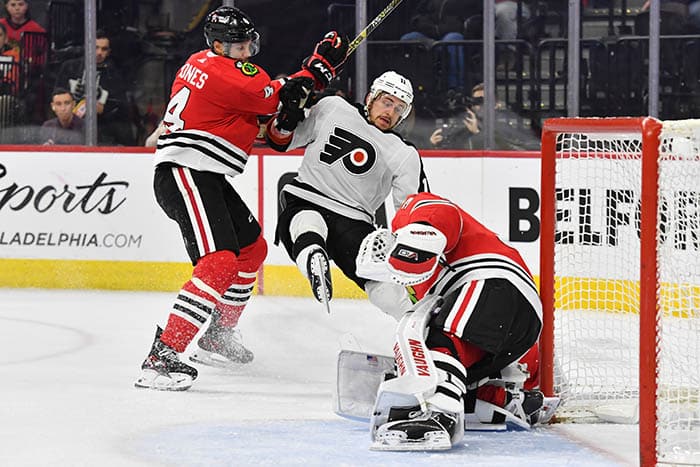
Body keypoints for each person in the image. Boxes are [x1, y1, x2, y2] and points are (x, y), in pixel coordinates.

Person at [134, 6, 348, 391]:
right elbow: (271, 96)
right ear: (218, 45)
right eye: (241, 44)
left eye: (250, 41)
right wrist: (314, 71)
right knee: (217, 263)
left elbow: (272, 119)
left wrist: (299, 95)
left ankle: (217, 337)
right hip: (186, 171)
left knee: (251, 249)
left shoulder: (215, 69)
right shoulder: (217, 68)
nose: (249, 49)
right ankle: (163, 355)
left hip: (205, 174)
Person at [356, 192, 548, 450]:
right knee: (453, 366)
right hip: (516, 328)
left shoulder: (411, 213)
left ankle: (438, 414)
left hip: (493, 280)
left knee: (442, 339)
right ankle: (507, 400)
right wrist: (530, 374)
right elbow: (497, 332)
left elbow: (440, 215)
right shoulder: (426, 288)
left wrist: (412, 247)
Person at [266, 71, 429, 320]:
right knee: (376, 277)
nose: (390, 112)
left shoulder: (335, 108)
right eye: (387, 102)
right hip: (347, 223)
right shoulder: (403, 152)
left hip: (333, 212)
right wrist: (289, 116)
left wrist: (285, 119)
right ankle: (419, 327)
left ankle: (311, 252)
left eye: (399, 109)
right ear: (371, 97)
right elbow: (412, 210)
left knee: (305, 224)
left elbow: (279, 140)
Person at [53, 30, 134, 145]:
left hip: (102, 130)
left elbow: (122, 106)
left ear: (109, 52)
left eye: (104, 49)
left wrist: (104, 109)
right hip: (68, 129)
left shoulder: (114, 74)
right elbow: (55, 96)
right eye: (95, 47)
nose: (99, 52)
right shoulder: (69, 67)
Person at [400, 0, 479, 93]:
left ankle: (455, 88)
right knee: (408, 38)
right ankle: (408, 86)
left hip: (454, 34)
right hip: (430, 36)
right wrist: (429, 27)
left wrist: (442, 29)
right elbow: (417, 18)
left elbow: (471, 21)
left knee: (452, 39)